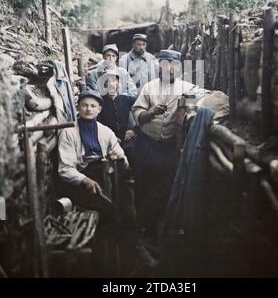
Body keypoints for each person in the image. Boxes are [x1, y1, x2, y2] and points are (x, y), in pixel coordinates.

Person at [57, 90, 136, 275]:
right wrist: (84, 180)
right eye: (84, 105)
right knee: (107, 211)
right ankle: (103, 264)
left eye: (93, 106)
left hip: (106, 174)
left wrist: (121, 159)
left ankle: (129, 258)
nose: (88, 109)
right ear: (78, 107)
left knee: (128, 208)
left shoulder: (105, 131)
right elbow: (65, 169)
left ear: (99, 109)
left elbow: (122, 161)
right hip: (82, 179)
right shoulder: (68, 132)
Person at [131, 49, 207, 240]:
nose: (169, 69)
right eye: (164, 65)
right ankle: (142, 227)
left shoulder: (187, 88)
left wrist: (193, 107)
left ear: (178, 67)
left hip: (168, 147)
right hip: (146, 144)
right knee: (143, 184)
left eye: (172, 65)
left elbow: (209, 96)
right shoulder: (149, 87)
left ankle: (160, 225)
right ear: (159, 66)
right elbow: (137, 114)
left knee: (166, 185)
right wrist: (151, 112)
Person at [97, 70, 138, 167]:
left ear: (118, 83)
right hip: (107, 140)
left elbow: (142, 110)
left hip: (126, 139)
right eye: (107, 81)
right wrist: (110, 137)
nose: (111, 84)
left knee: (133, 151)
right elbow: (96, 123)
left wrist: (134, 130)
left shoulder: (126, 99)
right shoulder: (99, 102)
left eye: (113, 80)